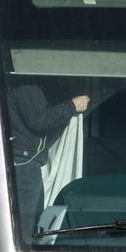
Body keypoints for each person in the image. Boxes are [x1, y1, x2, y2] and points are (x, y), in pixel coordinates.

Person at [8, 82, 88, 233]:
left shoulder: (28, 88)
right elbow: (39, 121)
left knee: (34, 222)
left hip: (28, 162)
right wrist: (71, 106)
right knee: (25, 225)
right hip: (23, 163)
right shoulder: (27, 87)